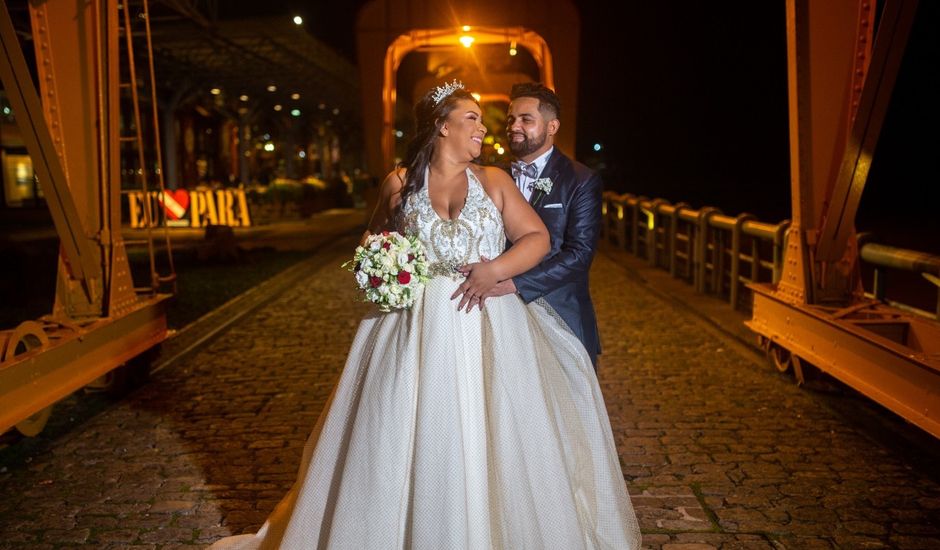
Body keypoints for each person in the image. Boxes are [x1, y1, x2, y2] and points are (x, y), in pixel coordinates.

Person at [208, 80, 640, 549]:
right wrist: (381, 268)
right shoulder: (398, 182)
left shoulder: (494, 179)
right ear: (442, 127)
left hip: (486, 322)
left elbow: (537, 239)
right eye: (472, 118)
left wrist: (496, 270)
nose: (484, 127)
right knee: (399, 433)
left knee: (492, 435)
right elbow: (371, 240)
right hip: (412, 328)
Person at [453, 82, 604, 368]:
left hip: (561, 312)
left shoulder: (581, 180)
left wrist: (516, 283)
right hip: (500, 314)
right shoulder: (490, 175)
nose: (514, 126)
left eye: (526, 119)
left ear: (552, 126)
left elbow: (580, 254)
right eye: (511, 119)